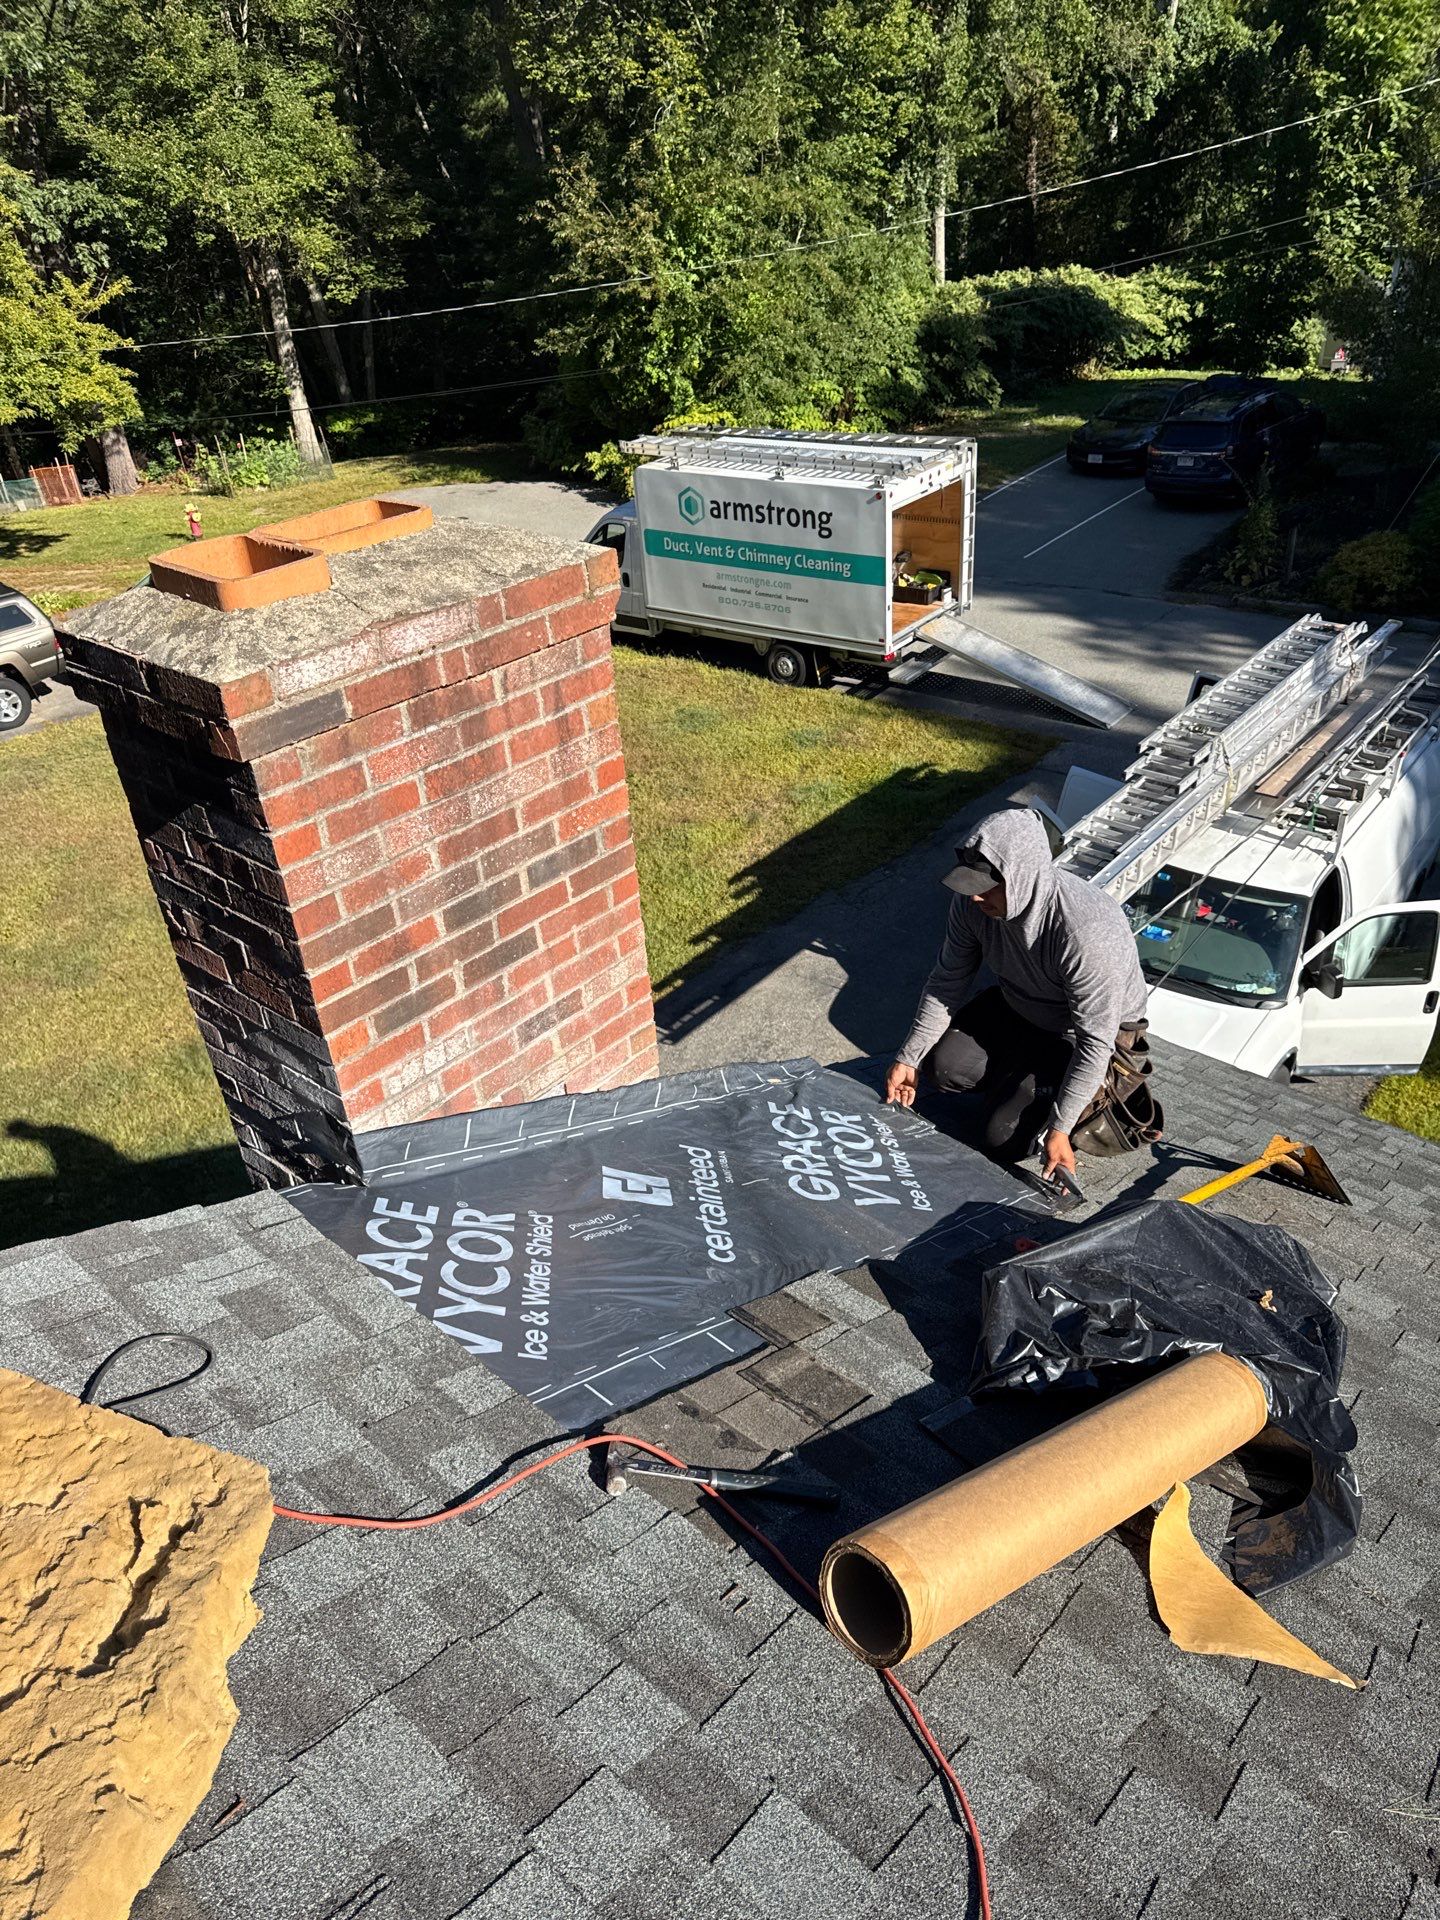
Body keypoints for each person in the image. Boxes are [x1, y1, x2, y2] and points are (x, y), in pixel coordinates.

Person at [884, 807, 1149, 1181]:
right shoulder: (971, 905)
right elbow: (946, 981)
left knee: (1002, 1140)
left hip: (1086, 1035)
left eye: (984, 887)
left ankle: (1052, 1085)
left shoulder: (1085, 933)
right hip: (1021, 1005)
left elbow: (1095, 1042)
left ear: (1021, 878)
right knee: (942, 1068)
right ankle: (1025, 1078)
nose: (975, 899)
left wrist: (1059, 1129)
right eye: (969, 886)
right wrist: (907, 1058)